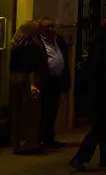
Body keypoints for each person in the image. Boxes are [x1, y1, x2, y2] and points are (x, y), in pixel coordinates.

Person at [69, 21, 106, 172]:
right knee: (100, 128)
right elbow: (101, 72)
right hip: (103, 94)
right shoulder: (102, 47)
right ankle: (80, 157)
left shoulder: (105, 45)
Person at [9, 21, 43, 154]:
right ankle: (28, 143)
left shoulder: (15, 44)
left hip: (15, 78)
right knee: (29, 112)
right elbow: (35, 65)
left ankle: (16, 143)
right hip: (26, 78)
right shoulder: (31, 45)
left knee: (17, 112)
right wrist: (34, 83)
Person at [36, 18, 70, 149]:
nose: (50, 29)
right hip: (45, 80)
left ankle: (50, 138)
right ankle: (41, 138)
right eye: (47, 27)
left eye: (52, 26)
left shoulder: (58, 40)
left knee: (53, 109)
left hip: (57, 79)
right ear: (41, 29)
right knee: (43, 110)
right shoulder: (38, 42)